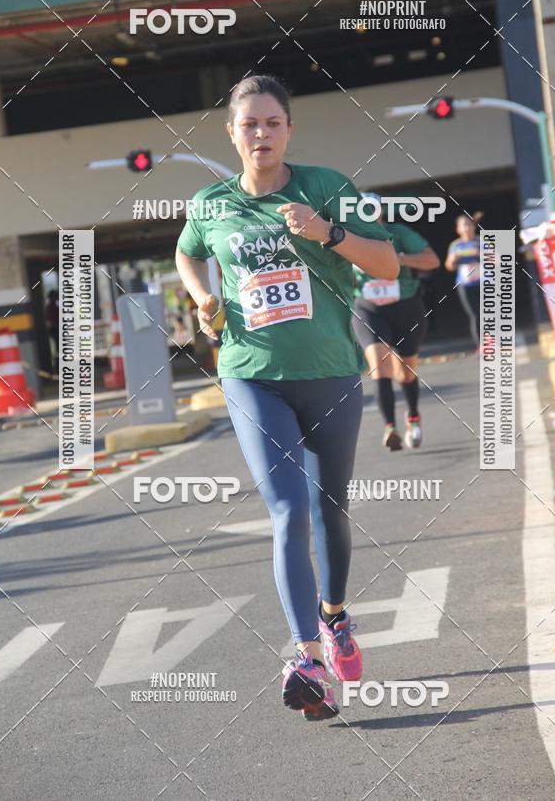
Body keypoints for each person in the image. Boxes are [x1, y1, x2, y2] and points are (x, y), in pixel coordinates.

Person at [175, 75, 399, 721]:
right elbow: (187, 254)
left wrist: (327, 233)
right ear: (232, 134)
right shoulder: (211, 204)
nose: (261, 134)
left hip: (329, 371)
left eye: (273, 123)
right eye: (250, 125)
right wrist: (202, 297)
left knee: (331, 508)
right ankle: (305, 656)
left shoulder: (325, 187)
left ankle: (334, 615)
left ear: (289, 130)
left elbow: (384, 263)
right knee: (287, 507)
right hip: (250, 372)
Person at [351, 196, 440, 450]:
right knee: (379, 368)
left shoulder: (398, 233)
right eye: (363, 210)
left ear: (381, 212)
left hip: (405, 307)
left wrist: (396, 259)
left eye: (373, 209)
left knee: (406, 370)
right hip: (368, 308)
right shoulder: (350, 236)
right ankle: (390, 428)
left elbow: (432, 260)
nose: (368, 213)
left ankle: (413, 414)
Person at [445, 212, 483, 350]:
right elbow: (449, 266)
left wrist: (478, 253)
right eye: (463, 225)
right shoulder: (455, 246)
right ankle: (481, 345)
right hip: (465, 284)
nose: (467, 228)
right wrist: (453, 259)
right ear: (458, 229)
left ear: (473, 226)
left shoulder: (481, 242)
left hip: (484, 282)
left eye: (469, 225)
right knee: (475, 315)